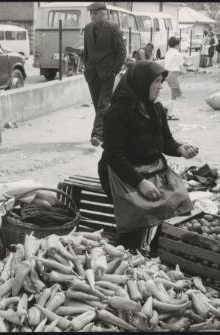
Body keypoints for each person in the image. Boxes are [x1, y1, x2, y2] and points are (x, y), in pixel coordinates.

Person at [97, 61, 198, 254]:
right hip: (123, 173)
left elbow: (166, 141)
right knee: (139, 213)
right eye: (157, 81)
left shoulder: (156, 109)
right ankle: (127, 251)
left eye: (162, 81)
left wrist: (180, 149)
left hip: (152, 169)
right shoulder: (118, 112)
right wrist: (140, 183)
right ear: (142, 83)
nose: (161, 86)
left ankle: (157, 250)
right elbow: (113, 154)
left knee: (180, 201)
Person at [82, 2, 126, 147]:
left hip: (107, 73)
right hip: (91, 73)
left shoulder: (113, 29)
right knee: (98, 105)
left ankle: (97, 134)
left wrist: (114, 71)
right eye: (91, 13)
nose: (92, 16)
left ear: (104, 14)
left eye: (95, 13)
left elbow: (121, 52)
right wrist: (86, 65)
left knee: (103, 104)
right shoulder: (87, 29)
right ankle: (108, 132)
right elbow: (87, 51)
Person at [164, 36, 189, 101]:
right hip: (173, 73)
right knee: (174, 87)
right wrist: (184, 71)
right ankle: (174, 99)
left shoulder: (168, 52)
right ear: (177, 45)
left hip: (167, 72)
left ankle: (180, 94)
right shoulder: (177, 54)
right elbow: (180, 64)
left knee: (175, 84)